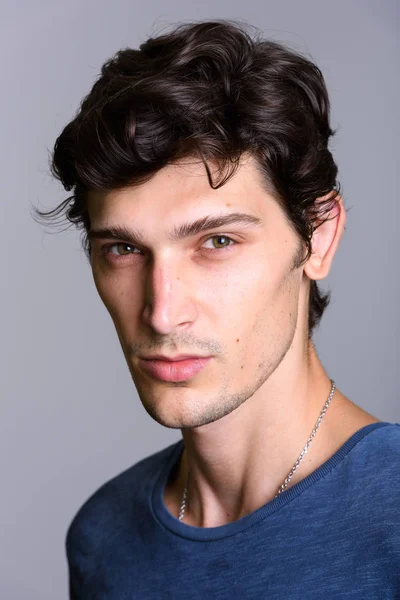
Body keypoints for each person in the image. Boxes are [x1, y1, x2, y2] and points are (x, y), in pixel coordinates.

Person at [34, 20, 399, 599]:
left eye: (217, 242)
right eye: (124, 249)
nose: (162, 312)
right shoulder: (103, 537)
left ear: (320, 237)